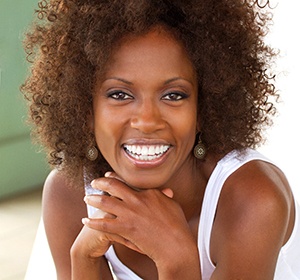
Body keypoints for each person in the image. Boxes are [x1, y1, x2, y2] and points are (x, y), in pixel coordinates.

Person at [21, 0, 300, 279]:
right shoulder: (67, 195)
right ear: (85, 108)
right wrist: (83, 257)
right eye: (119, 95)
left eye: (173, 95)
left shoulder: (252, 200)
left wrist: (176, 257)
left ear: (203, 109)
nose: (147, 121)